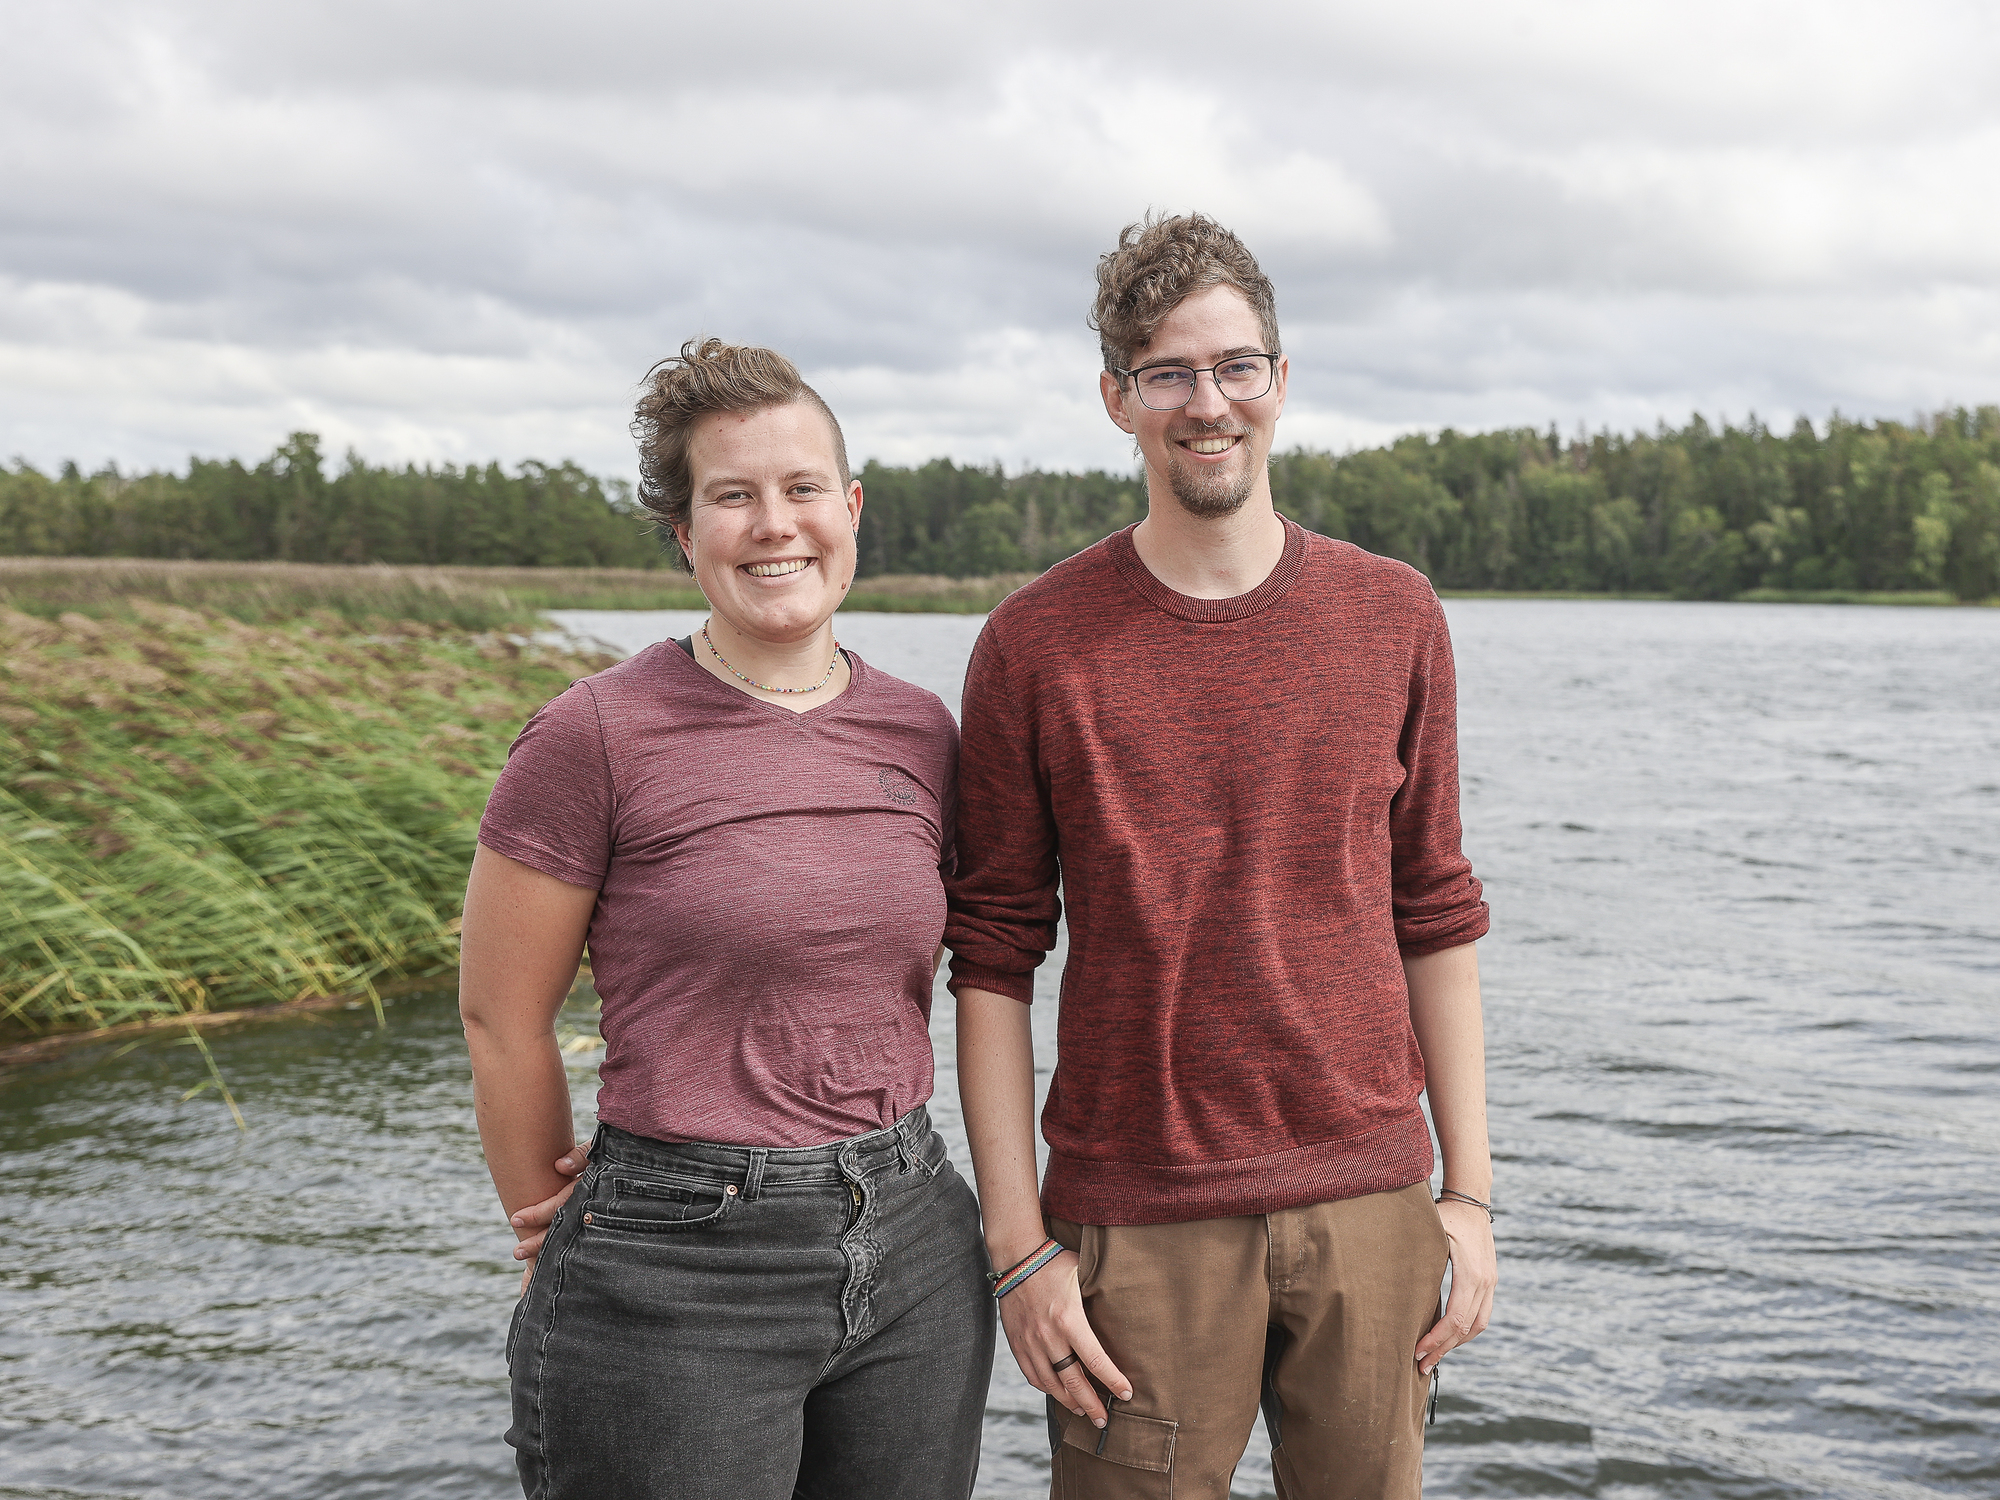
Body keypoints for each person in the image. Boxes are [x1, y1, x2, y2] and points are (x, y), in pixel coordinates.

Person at [947, 214, 1497, 1500]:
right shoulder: (1032, 646)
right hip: (1132, 1218)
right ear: (1116, 399)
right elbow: (989, 956)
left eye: (1236, 366)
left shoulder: (1392, 614)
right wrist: (1017, 1246)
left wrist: (1467, 1200)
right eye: (1169, 374)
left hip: (1369, 1200)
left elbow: (1435, 913)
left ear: (1280, 379)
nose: (1209, 403)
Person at [459, 338, 993, 1500]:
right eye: (733, 496)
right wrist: (548, 1234)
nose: (774, 524)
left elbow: (975, 968)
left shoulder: (922, 734)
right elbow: (502, 1015)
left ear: (851, 510)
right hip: (670, 1272)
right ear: (683, 532)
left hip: (913, 1249)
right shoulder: (593, 736)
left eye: (802, 489)